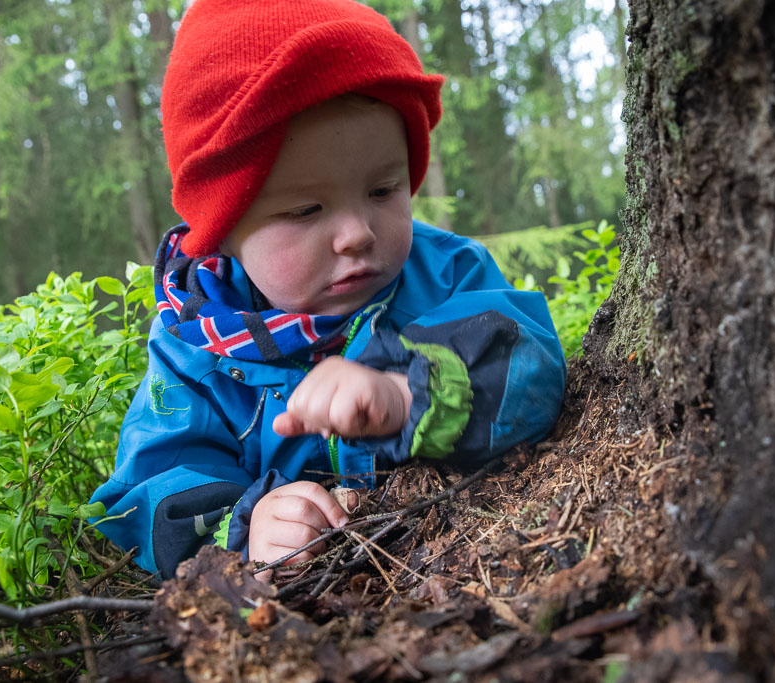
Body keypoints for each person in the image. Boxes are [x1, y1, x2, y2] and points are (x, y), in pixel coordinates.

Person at [89, 0, 567, 580]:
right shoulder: (194, 342)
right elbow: (149, 488)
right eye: (306, 208)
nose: (358, 233)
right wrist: (244, 525)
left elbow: (533, 367)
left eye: (383, 190)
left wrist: (408, 395)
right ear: (225, 230)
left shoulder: (447, 274)